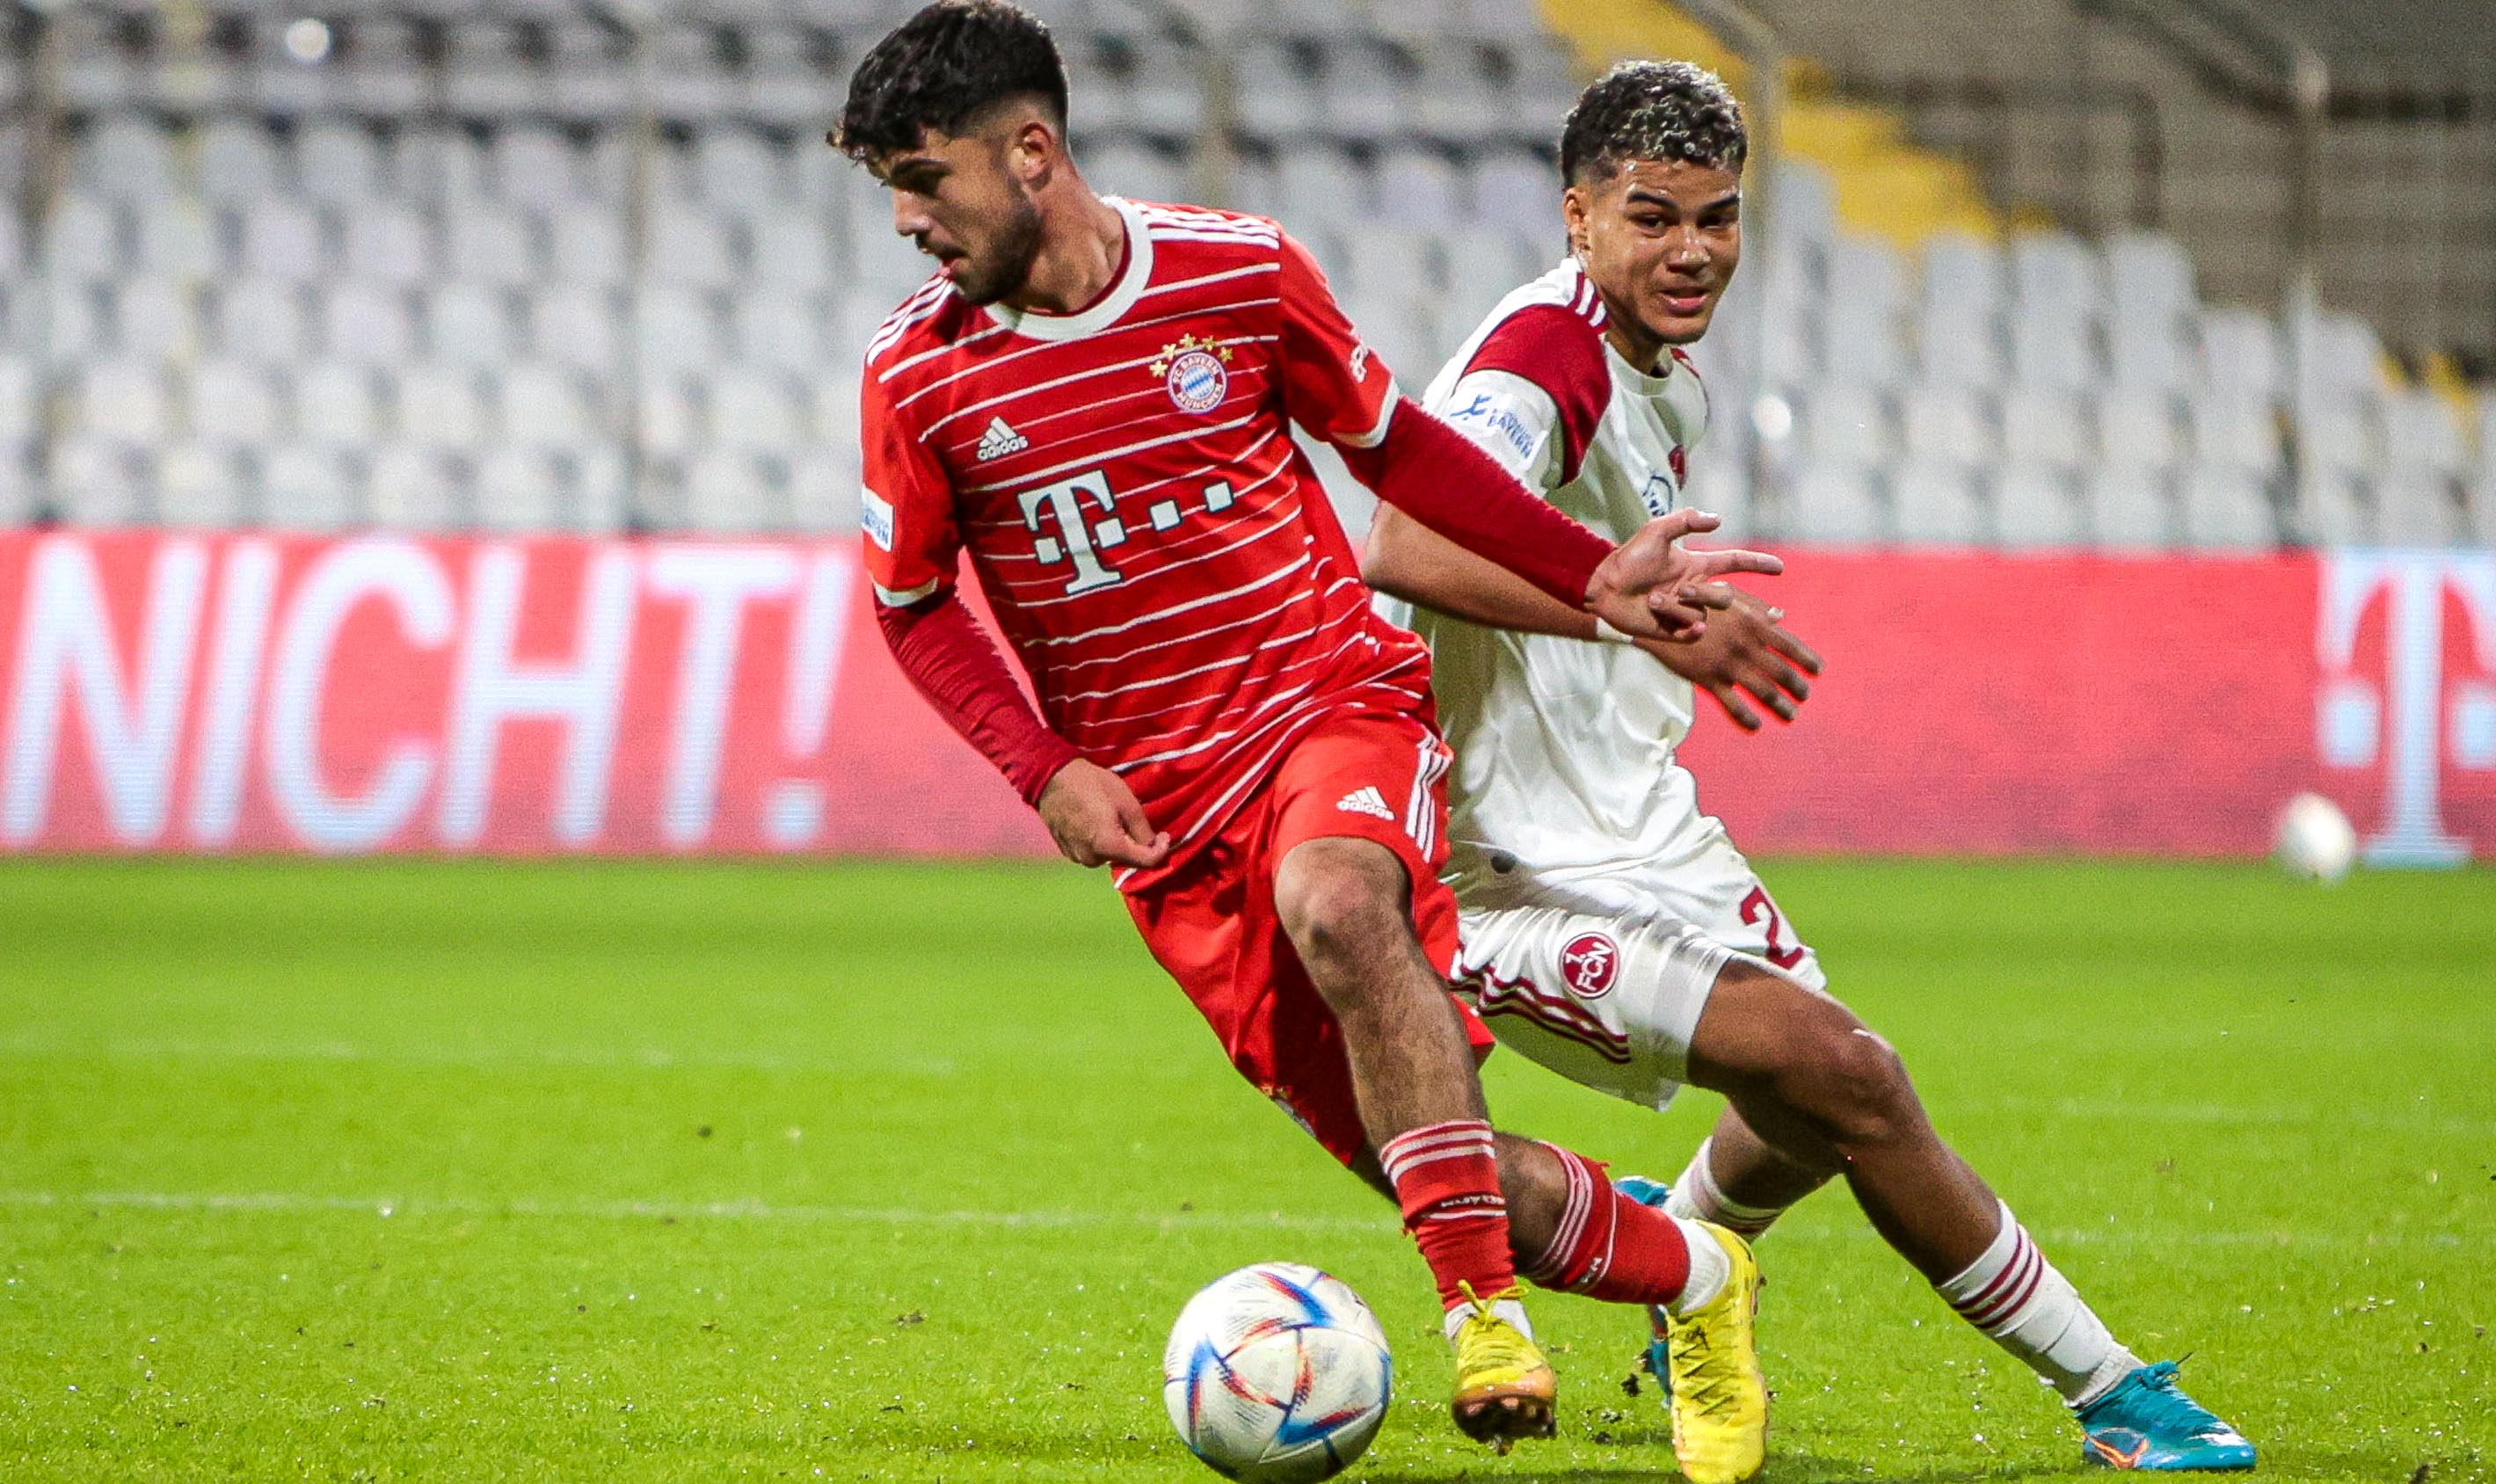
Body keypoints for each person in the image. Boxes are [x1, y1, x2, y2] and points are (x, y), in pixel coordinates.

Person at [833, 5, 1772, 1475]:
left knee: (1338, 899)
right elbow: (910, 607)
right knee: (1434, 1166)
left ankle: (1483, 1324)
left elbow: (1395, 447)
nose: (906, 220)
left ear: (1031, 153)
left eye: (923, 179)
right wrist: (1045, 768)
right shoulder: (918, 377)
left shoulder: (1236, 269)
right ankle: (1701, 1278)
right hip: (1165, 821)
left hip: (1328, 705)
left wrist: (1586, 573)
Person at [1364, 58, 2259, 1473]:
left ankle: (1688, 1251)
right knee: (1855, 1082)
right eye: (1651, 217)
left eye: (1718, 217)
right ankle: (2116, 1399)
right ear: (1578, 215)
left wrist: (1642, 614)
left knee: (1805, 1108)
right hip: (1503, 874)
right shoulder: (1546, 357)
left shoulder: (1666, 381)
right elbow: (1404, 542)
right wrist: (1615, 599)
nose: (1692, 250)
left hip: (1637, 828)